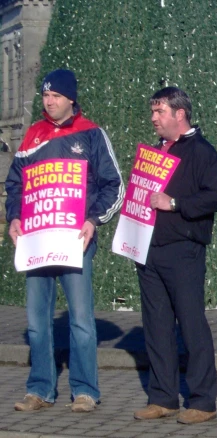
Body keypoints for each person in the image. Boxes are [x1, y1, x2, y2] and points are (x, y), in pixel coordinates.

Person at [4, 69, 124, 413]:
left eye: (55, 95)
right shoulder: (32, 137)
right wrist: (14, 216)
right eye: (45, 96)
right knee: (35, 322)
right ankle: (40, 388)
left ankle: (85, 390)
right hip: (36, 243)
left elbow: (113, 184)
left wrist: (93, 220)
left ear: (71, 98)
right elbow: (15, 185)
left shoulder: (91, 134)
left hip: (76, 242)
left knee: (82, 319)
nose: (49, 101)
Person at [132, 87, 217, 425]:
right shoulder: (153, 152)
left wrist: (175, 204)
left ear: (179, 114)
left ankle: (203, 400)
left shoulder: (202, 152)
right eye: (153, 111)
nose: (153, 118)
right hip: (148, 249)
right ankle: (162, 397)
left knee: (191, 324)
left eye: (159, 111)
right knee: (156, 326)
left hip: (183, 249)